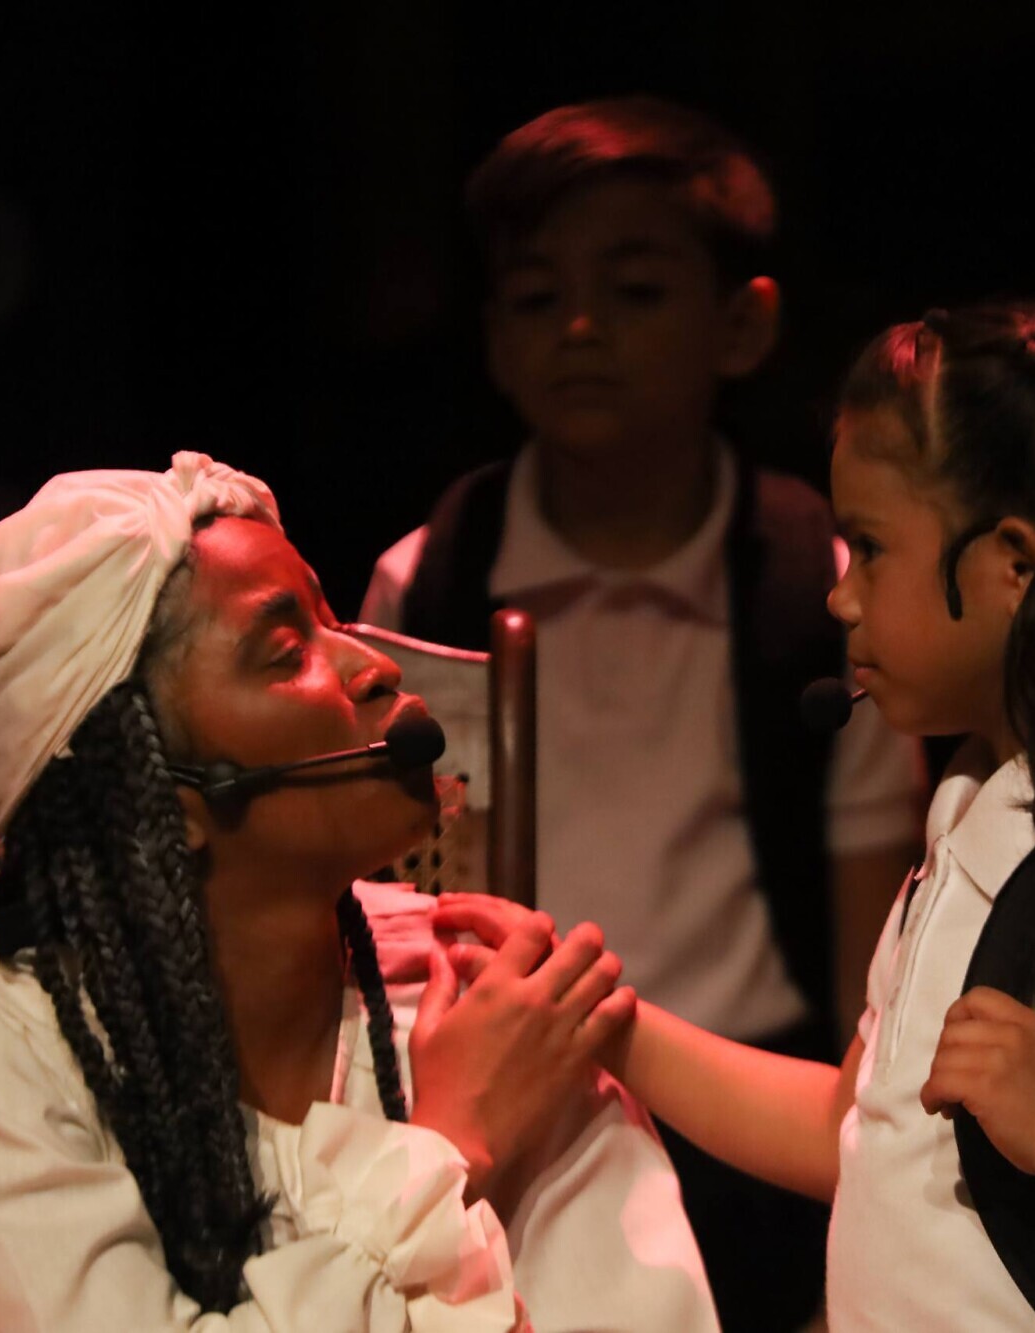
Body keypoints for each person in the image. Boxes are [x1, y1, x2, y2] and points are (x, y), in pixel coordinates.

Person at [443, 297, 1035, 1330]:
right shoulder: (968, 822)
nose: (842, 596)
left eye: (869, 547)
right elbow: (854, 1128)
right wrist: (595, 1018)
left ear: (1012, 565)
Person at [0, 453, 718, 1332]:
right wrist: (450, 1147)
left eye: (332, 617)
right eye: (286, 650)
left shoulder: (485, 1005)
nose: (372, 665)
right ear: (162, 797)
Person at [358, 96, 921, 1331]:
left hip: (754, 1130)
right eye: (533, 296)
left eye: (634, 291)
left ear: (741, 322)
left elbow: (868, 948)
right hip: (513, 1127)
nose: (579, 328)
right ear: (493, 339)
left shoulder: (821, 586)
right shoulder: (430, 579)